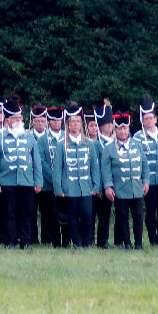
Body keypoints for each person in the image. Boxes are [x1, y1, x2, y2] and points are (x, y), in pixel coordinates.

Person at [0, 97, 43, 249]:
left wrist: (38, 181)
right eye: (15, 118)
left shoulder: (29, 137)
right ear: (8, 120)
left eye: (20, 118)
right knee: (9, 213)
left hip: (26, 181)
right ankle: (10, 241)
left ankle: (26, 241)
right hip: (7, 181)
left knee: (26, 213)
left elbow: (36, 161)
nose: (19, 120)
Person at [100, 111, 148, 250]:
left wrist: (145, 181)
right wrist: (108, 186)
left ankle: (138, 244)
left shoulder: (137, 144)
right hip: (120, 188)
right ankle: (127, 243)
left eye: (125, 128)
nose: (122, 131)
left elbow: (144, 164)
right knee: (122, 216)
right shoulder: (109, 148)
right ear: (115, 130)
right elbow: (106, 170)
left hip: (136, 187)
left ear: (128, 129)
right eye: (120, 129)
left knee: (138, 215)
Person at [53, 103, 100, 249]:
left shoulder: (89, 144)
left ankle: (86, 241)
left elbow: (94, 167)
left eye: (78, 121)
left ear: (81, 124)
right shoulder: (61, 145)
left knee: (87, 214)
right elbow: (57, 169)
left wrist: (96, 186)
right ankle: (77, 242)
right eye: (72, 121)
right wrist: (58, 189)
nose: (75, 124)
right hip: (69, 188)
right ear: (68, 124)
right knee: (72, 216)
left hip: (86, 187)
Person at [133, 95, 158, 246]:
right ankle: (152, 239)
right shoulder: (138, 137)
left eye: (151, 118)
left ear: (155, 119)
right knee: (150, 211)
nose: (149, 121)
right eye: (146, 119)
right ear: (142, 121)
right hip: (148, 182)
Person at [36, 107, 64, 247]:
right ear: (49, 122)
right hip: (48, 184)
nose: (56, 122)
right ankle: (48, 239)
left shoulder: (66, 136)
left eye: (58, 120)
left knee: (64, 213)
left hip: (65, 184)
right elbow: (41, 161)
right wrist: (54, 178)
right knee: (48, 213)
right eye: (53, 120)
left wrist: (62, 179)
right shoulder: (42, 139)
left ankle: (66, 239)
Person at [91, 102, 116, 248]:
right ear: (101, 126)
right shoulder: (95, 144)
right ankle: (92, 239)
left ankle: (105, 240)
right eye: (107, 123)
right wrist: (99, 186)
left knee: (107, 215)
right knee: (95, 214)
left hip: (114, 184)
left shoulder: (116, 142)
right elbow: (96, 167)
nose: (110, 126)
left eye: (111, 123)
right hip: (100, 185)